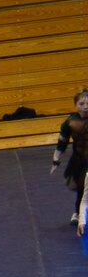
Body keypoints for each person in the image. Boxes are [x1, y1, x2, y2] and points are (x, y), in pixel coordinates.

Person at [52, 88, 88, 227]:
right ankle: (77, 212)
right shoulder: (70, 122)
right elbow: (62, 142)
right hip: (79, 161)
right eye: (82, 103)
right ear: (76, 105)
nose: (86, 107)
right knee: (82, 188)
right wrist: (56, 160)